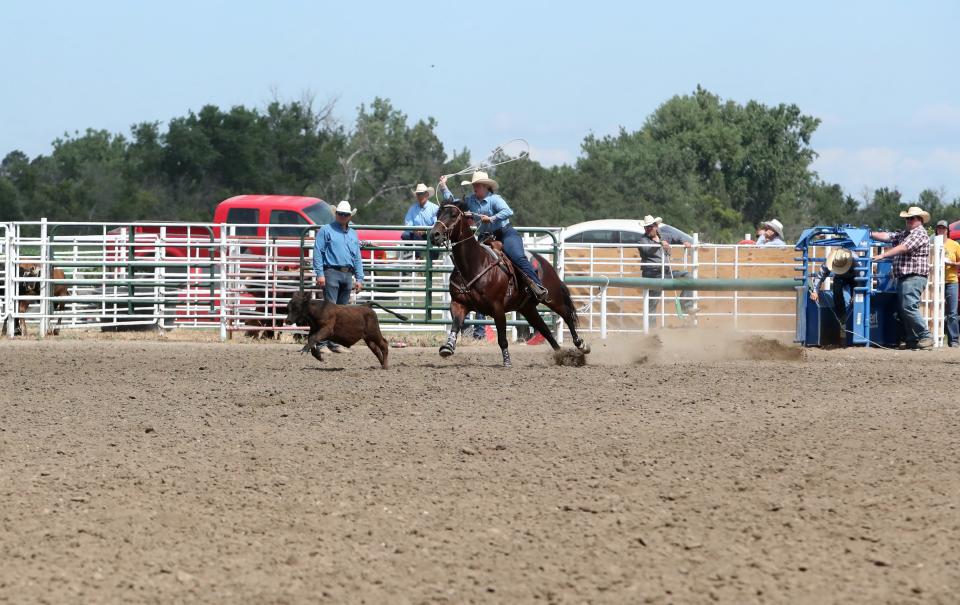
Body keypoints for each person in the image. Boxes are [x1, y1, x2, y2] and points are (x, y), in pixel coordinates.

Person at [438, 171, 549, 301]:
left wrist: (491, 218)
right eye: (474, 185)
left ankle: (537, 286)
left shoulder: (495, 199)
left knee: (517, 256)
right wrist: (443, 187)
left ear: (485, 186)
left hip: (505, 233)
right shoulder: (470, 200)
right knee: (471, 261)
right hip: (485, 236)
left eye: (478, 185)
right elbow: (454, 204)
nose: (475, 187)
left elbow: (508, 211)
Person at [871, 206, 933, 350]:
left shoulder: (919, 234)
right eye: (907, 218)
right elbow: (888, 236)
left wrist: (883, 255)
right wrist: (869, 233)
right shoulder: (907, 233)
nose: (908, 220)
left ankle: (925, 336)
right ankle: (912, 339)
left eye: (912, 218)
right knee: (904, 308)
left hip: (913, 276)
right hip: (906, 277)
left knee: (908, 307)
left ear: (920, 220)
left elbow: (903, 247)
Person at [312, 200, 365, 351]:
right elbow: (318, 252)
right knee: (329, 309)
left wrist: (359, 278)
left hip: (347, 274)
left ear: (349, 216)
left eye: (345, 214)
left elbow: (356, 257)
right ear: (336, 214)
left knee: (341, 310)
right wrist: (320, 273)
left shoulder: (353, 234)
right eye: (340, 214)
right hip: (331, 272)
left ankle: (333, 341)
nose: (342, 216)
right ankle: (322, 342)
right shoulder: (326, 230)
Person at [637, 215, 696, 314]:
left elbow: (677, 237)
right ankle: (651, 327)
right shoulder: (643, 240)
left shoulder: (664, 236)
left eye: (650, 227)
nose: (647, 229)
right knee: (652, 302)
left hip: (666, 272)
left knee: (688, 277)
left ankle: (686, 306)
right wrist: (660, 243)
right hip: (653, 275)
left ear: (656, 226)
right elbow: (647, 249)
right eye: (646, 227)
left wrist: (684, 241)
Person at [809, 248, 857, 345]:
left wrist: (856, 295)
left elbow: (862, 278)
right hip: (840, 277)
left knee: (856, 292)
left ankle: (852, 319)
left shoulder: (856, 260)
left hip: (854, 277)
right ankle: (842, 319)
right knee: (837, 289)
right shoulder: (828, 262)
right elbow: (820, 276)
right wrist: (815, 291)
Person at [934, 220, 960, 347]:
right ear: (936, 230)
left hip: (951, 281)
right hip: (935, 281)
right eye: (939, 228)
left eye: (943, 228)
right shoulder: (932, 243)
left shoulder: (954, 245)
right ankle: (934, 338)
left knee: (952, 313)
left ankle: (953, 340)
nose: (941, 230)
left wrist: (952, 264)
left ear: (947, 231)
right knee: (934, 310)